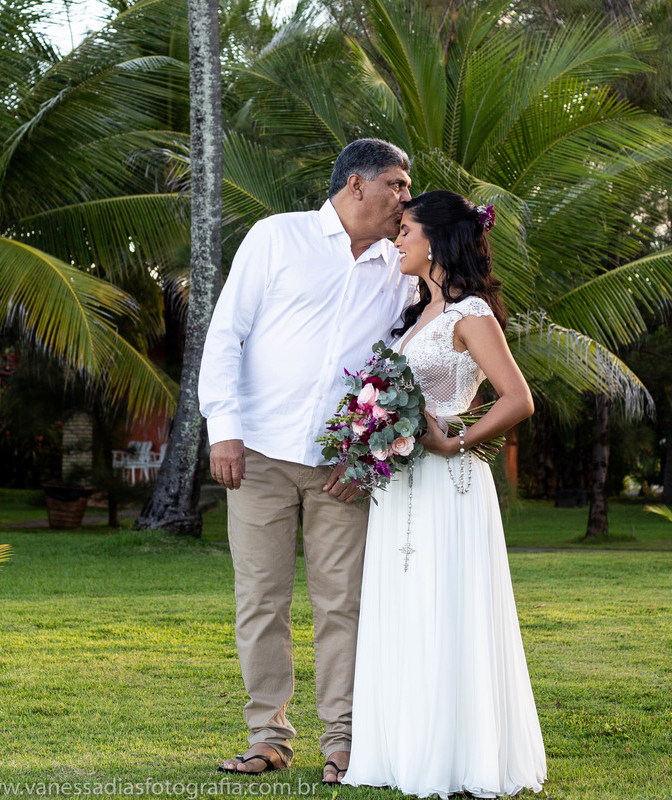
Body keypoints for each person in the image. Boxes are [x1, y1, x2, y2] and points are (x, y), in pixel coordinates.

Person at [199, 139, 416, 782]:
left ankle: (343, 741)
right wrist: (224, 430)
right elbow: (227, 333)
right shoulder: (276, 237)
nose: (405, 198)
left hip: (342, 470)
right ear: (356, 184)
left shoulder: (400, 268)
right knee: (260, 599)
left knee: (343, 604)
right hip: (257, 455)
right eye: (397, 184)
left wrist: (368, 454)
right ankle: (268, 737)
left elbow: (405, 367)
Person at [342, 190, 547, 798]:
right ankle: (403, 753)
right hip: (401, 484)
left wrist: (456, 441)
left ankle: (457, 760)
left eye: (405, 230)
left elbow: (518, 398)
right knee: (405, 605)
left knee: (444, 604)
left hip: (448, 481)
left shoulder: (470, 314)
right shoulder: (417, 315)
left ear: (435, 239)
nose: (397, 239)